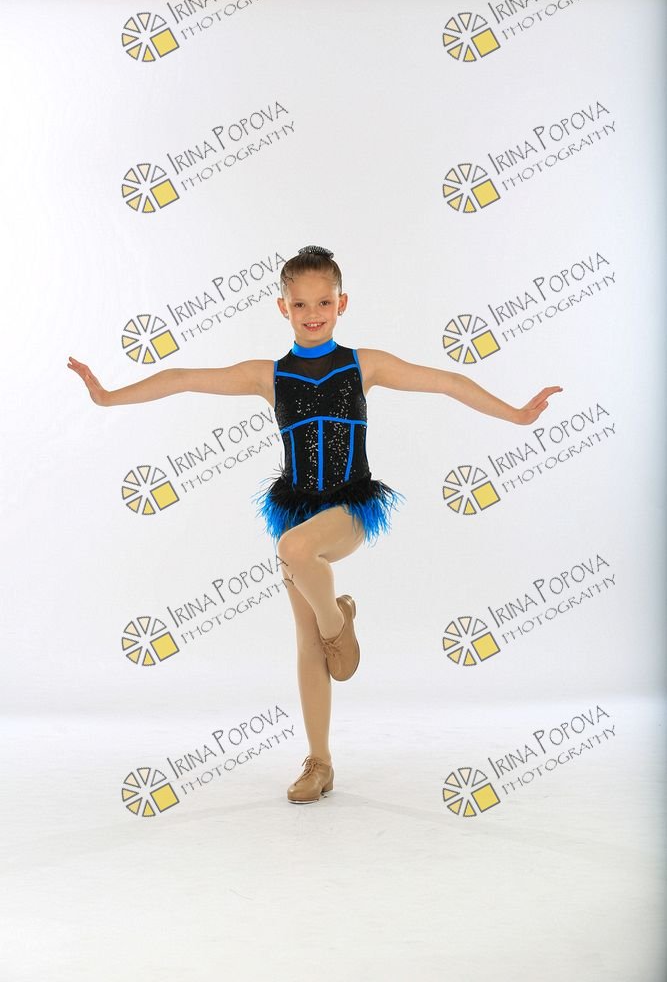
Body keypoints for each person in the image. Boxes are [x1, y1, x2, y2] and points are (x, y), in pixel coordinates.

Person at [68, 244, 563, 805]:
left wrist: (517, 413)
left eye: (323, 302)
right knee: (305, 636)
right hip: (298, 505)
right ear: (283, 307)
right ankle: (319, 760)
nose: (312, 313)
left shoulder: (364, 364)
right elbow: (182, 377)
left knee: (295, 549)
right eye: (300, 303)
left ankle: (338, 621)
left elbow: (447, 381)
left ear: (341, 303)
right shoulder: (269, 375)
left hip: (350, 508)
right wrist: (108, 397)